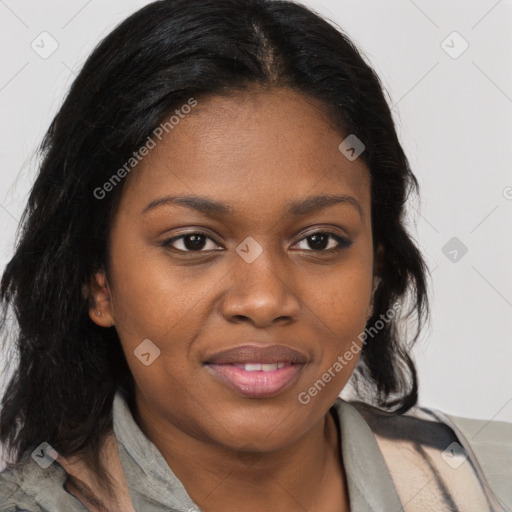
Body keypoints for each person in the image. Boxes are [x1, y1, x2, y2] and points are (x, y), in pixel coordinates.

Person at [0, 0, 510, 511]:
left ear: (375, 270)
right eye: (194, 241)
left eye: (318, 240)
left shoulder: (490, 481)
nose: (264, 300)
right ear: (98, 281)